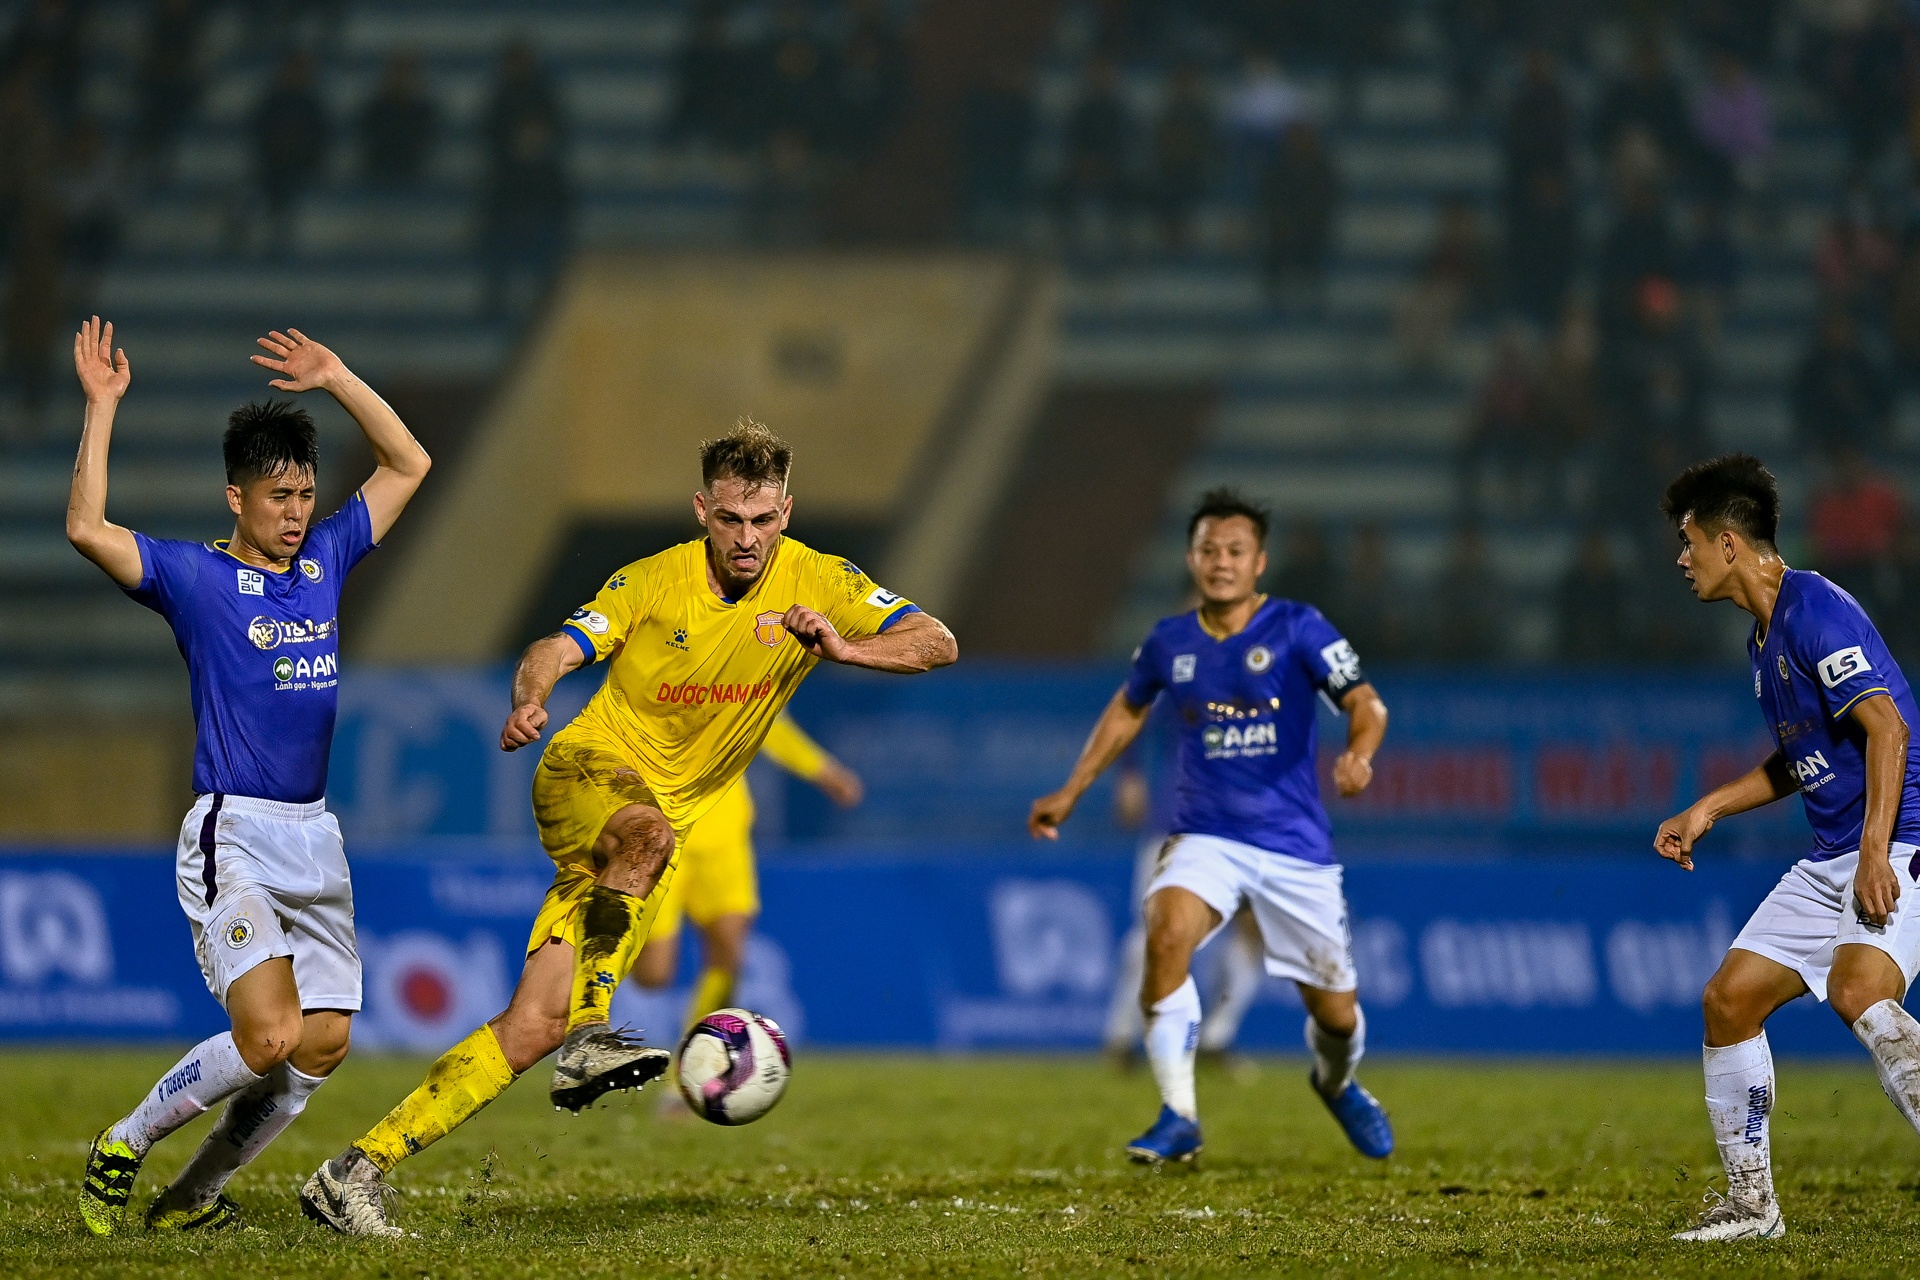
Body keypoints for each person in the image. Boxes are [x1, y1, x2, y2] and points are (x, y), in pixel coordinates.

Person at [302, 422, 957, 1236]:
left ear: (786, 512)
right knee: (647, 839)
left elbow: (937, 640)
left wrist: (849, 649)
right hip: (589, 772)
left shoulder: (824, 582)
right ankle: (594, 1033)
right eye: (728, 519)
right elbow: (556, 645)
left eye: (761, 519)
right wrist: (530, 699)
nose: (745, 538)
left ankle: (352, 1171)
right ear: (700, 512)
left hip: (654, 834)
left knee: (528, 1024)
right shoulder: (653, 580)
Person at [67, 318, 431, 1234]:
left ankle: (190, 1201)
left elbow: (407, 466)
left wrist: (340, 374)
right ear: (236, 497)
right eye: (279, 497)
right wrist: (102, 407)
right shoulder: (193, 578)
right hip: (235, 831)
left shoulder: (325, 560)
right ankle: (126, 1138)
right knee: (266, 1036)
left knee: (323, 1042)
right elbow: (84, 527)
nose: (298, 511)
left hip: (314, 829)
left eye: (307, 493)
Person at [1029, 488, 1391, 1165]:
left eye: (1235, 551)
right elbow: (1127, 711)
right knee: (1166, 933)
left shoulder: (1301, 626)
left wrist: (1359, 753)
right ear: (1191, 558)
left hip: (1292, 844)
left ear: (1259, 562)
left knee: (1336, 1014)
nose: (1220, 562)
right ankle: (1179, 1114)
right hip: (1204, 834)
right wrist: (1074, 788)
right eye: (1208, 551)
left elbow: (1366, 703)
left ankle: (1337, 1083)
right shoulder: (1168, 641)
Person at [1655, 454, 1920, 1241]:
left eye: (1689, 540)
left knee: (1859, 991)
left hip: (1900, 836)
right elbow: (1800, 758)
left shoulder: (1815, 610)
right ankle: (1751, 1207)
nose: (1682, 558)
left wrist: (1876, 854)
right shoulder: (1764, 642)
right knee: (1729, 1002)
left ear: (1728, 544)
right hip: (1836, 848)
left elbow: (1888, 727)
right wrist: (1712, 807)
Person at [634, 712, 863, 1044]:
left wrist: (824, 771)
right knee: (654, 976)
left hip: (725, 836)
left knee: (728, 953)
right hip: (661, 838)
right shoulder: (651, 671)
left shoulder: (740, 670)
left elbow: (769, 722)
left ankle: (691, 1070)